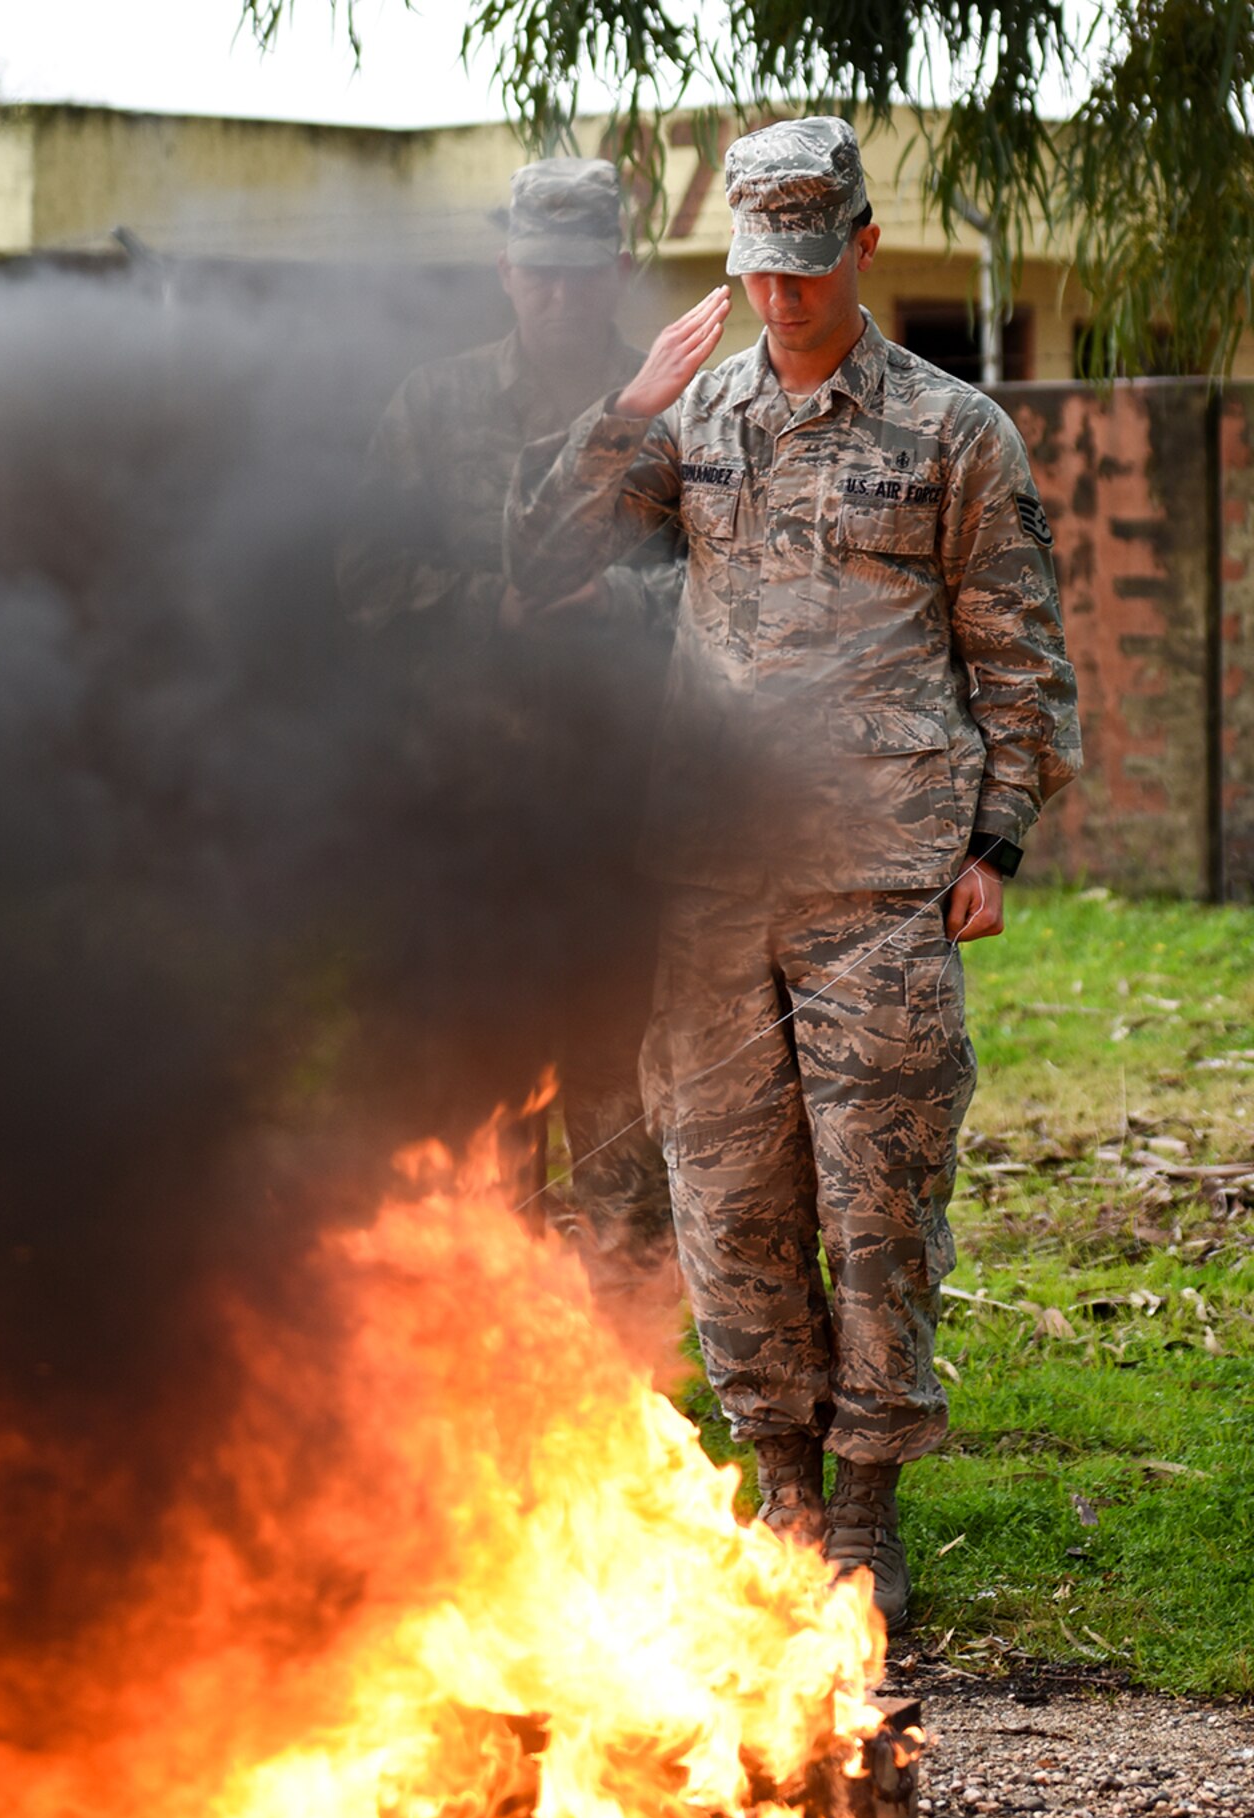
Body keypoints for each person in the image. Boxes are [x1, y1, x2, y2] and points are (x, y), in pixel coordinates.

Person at [504, 117, 1081, 1629]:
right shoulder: (693, 424)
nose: (781, 299)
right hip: (708, 883)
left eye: (808, 270)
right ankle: (785, 1491)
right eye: (759, 271)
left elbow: (1020, 653)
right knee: (728, 1195)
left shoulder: (955, 432)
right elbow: (538, 558)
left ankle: (873, 1504)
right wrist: (629, 401)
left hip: (881, 881)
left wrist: (998, 836)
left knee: (879, 1203)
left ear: (863, 252)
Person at [339, 158, 684, 1320]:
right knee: (485, 1111)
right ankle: (493, 1386)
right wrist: (480, 602)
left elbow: (735, 589)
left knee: (621, 1111)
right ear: (504, 271)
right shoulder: (430, 406)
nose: (557, 296)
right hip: (471, 816)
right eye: (536, 274)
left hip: (620, 818)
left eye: (580, 276)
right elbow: (360, 575)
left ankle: (628, 1378)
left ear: (618, 272)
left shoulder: (678, 404)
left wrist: (617, 609)